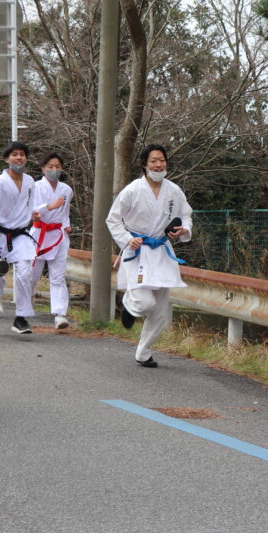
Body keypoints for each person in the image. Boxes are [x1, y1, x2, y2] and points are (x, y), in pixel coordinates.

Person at [106, 144, 193, 368]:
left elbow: (186, 215)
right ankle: (129, 305)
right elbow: (113, 219)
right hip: (139, 250)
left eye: (162, 160)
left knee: (162, 311)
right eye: (153, 161)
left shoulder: (174, 190)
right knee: (144, 302)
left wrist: (184, 230)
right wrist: (127, 239)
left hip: (162, 251)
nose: (158, 164)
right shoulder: (133, 190)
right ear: (145, 164)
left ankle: (143, 352)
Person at [0, 143, 37, 334]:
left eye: (22, 155)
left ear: (27, 159)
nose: (19, 158)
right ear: (7, 159)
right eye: (14, 155)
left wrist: (33, 217)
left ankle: (21, 317)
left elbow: (31, 205)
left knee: (24, 272)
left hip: (20, 234)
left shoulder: (30, 181)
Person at [30, 153, 74, 329]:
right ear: (43, 169)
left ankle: (60, 314)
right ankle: (28, 298)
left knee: (57, 276)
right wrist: (49, 206)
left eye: (57, 166)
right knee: (32, 275)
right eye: (50, 166)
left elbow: (65, 214)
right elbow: (32, 210)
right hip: (39, 234)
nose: (54, 170)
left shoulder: (66, 190)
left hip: (58, 235)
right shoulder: (35, 187)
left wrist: (66, 226)